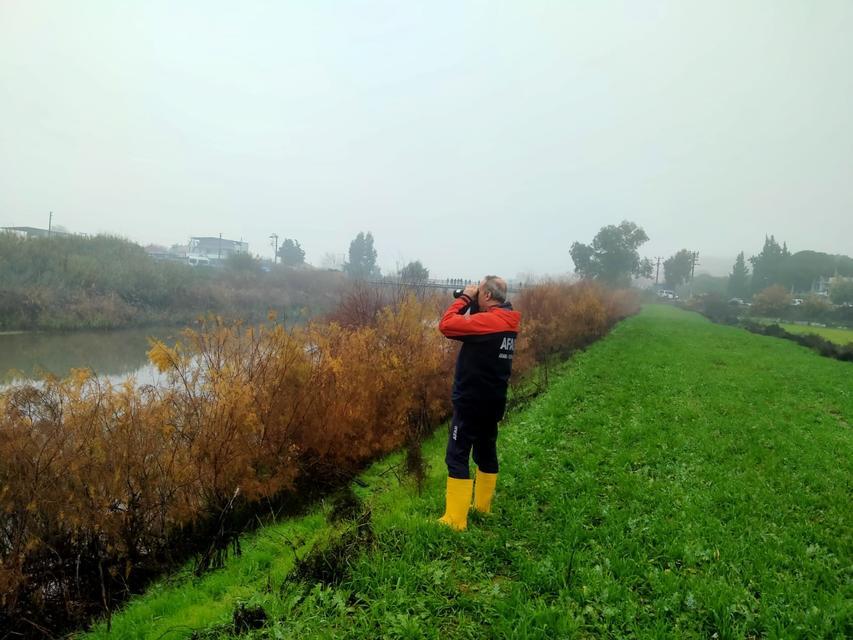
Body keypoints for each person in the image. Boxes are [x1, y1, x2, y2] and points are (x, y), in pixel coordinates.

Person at [436, 275, 521, 530]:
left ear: (486, 296)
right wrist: (475, 303)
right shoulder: (508, 321)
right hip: (493, 400)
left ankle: (455, 520)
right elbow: (477, 336)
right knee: (486, 453)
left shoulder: (488, 322)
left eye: (479, 293)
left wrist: (464, 298)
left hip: (471, 401)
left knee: (457, 456)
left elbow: (446, 325)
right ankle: (483, 508)